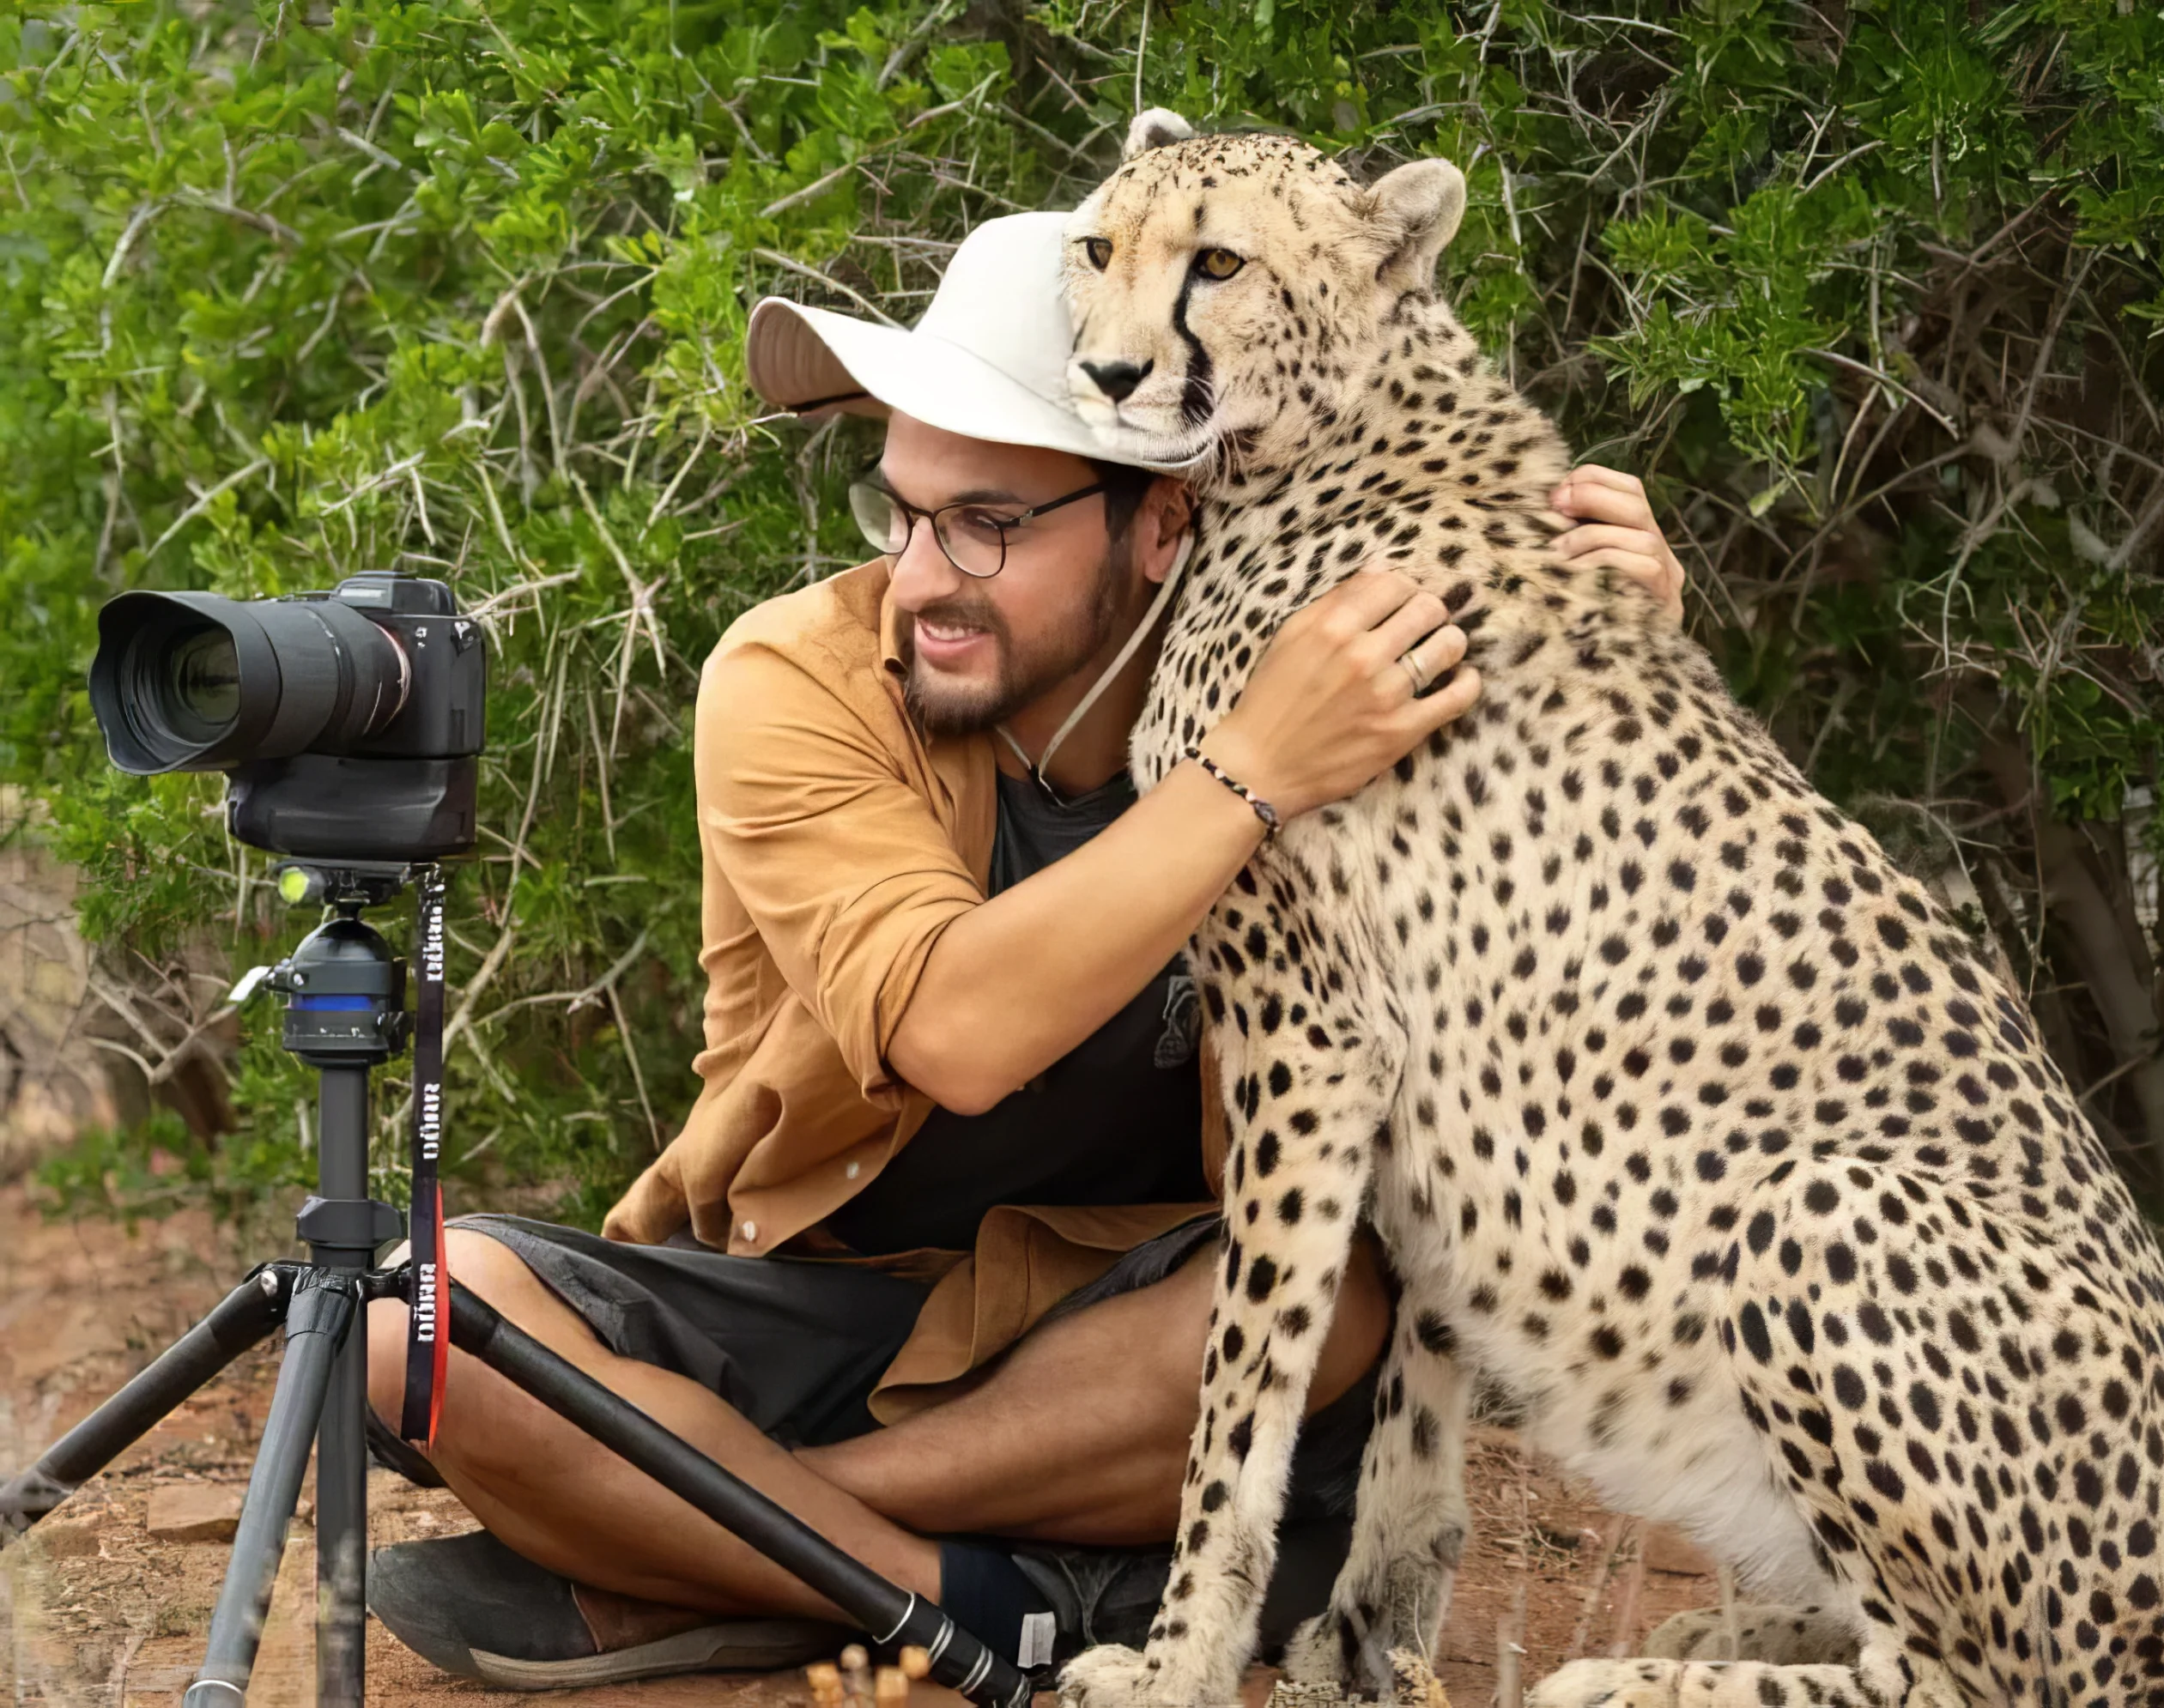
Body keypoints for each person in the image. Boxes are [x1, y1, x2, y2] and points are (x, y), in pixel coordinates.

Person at [361, 210, 1688, 1691]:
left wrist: (1587, 651)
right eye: (902, 512)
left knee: (1333, 1306)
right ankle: (985, 1599)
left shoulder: (1309, 666)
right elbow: (959, 1032)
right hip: (822, 1294)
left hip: (1139, 1339)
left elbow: (1549, 1008)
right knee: (408, 1316)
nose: (925, 575)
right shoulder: (795, 672)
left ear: (1160, 524)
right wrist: (1248, 774)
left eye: (990, 521)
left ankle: (706, 1539)